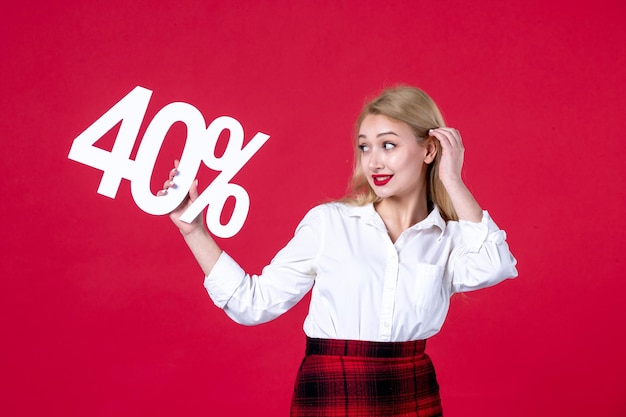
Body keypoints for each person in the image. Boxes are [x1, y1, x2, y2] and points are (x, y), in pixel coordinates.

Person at [158, 86, 518, 416]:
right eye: (365, 146)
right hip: (331, 391)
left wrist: (452, 179)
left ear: (429, 149)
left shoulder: (450, 239)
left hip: (412, 390)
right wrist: (194, 231)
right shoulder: (329, 223)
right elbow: (253, 304)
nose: (374, 161)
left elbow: (495, 265)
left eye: (388, 145)